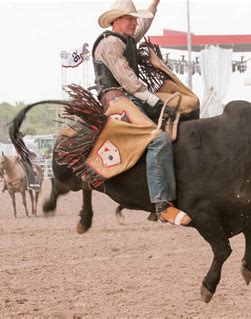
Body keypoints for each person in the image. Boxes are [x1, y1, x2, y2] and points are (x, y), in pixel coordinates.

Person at [92, 0, 193, 225]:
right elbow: (126, 78)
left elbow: (143, 26)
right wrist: (153, 100)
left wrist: (154, 3)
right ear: (116, 21)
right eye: (130, 19)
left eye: (135, 18)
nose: (134, 22)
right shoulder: (110, 44)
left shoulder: (124, 39)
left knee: (188, 105)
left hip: (134, 97)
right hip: (118, 101)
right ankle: (162, 204)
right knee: (158, 139)